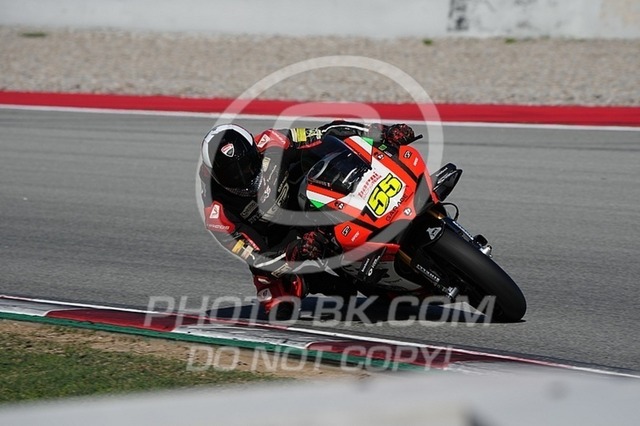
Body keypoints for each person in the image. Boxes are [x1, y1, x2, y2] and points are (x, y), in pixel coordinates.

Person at [199, 120, 416, 320]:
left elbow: (326, 132)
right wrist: (297, 250)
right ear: (216, 176)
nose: (243, 177)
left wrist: (383, 132)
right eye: (232, 175)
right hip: (277, 238)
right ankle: (310, 280)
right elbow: (258, 259)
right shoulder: (218, 215)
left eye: (248, 166)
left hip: (309, 199)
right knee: (279, 308)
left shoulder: (273, 142)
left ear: (255, 152)